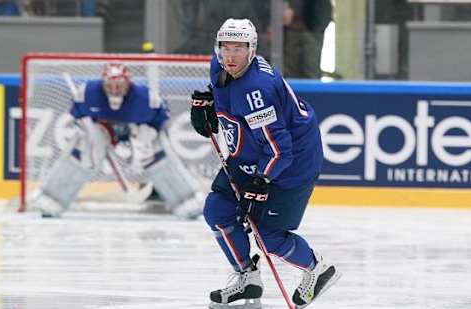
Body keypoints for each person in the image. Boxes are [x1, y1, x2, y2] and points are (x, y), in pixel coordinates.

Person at [190, 18, 340, 308]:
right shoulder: (220, 67)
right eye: (225, 48)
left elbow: (280, 151)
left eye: (239, 48)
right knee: (218, 210)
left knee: (268, 237)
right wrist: (210, 102)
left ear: (252, 50)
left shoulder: (257, 90)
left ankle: (317, 269)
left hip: (292, 163)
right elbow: (225, 94)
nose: (231, 55)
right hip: (252, 151)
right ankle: (247, 279)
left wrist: (260, 182)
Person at [32, 63, 204, 218]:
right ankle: (51, 198)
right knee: (83, 153)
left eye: (119, 85)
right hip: (100, 129)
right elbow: (77, 116)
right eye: (110, 85)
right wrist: (91, 131)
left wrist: (144, 136)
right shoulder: (87, 93)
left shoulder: (146, 99)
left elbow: (161, 121)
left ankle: (186, 200)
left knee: (155, 157)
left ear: (128, 83)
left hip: (135, 129)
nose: (114, 89)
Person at [283, 0, 332, 79]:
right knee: (289, 74)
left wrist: (293, 9)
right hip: (288, 33)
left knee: (310, 71)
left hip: (311, 30)